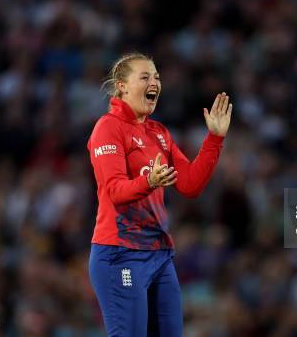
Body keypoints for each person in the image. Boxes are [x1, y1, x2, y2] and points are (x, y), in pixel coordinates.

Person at [86, 52, 232, 336]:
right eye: (145, 77)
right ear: (122, 86)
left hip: (159, 255)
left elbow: (189, 185)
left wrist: (214, 139)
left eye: (156, 77)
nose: (154, 82)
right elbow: (115, 191)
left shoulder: (159, 133)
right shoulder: (108, 128)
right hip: (120, 254)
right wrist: (149, 182)